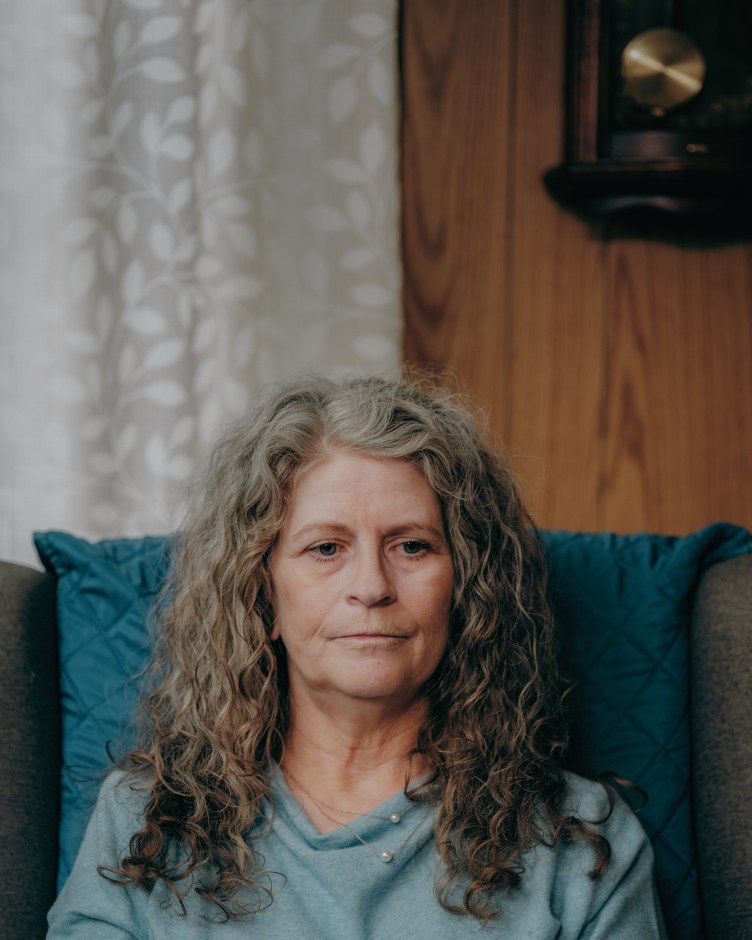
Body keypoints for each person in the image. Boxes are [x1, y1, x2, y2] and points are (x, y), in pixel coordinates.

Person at [48, 373, 667, 938]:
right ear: (259, 594)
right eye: (325, 548)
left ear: (467, 589)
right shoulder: (146, 820)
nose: (371, 585)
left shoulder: (581, 840)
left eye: (412, 546)